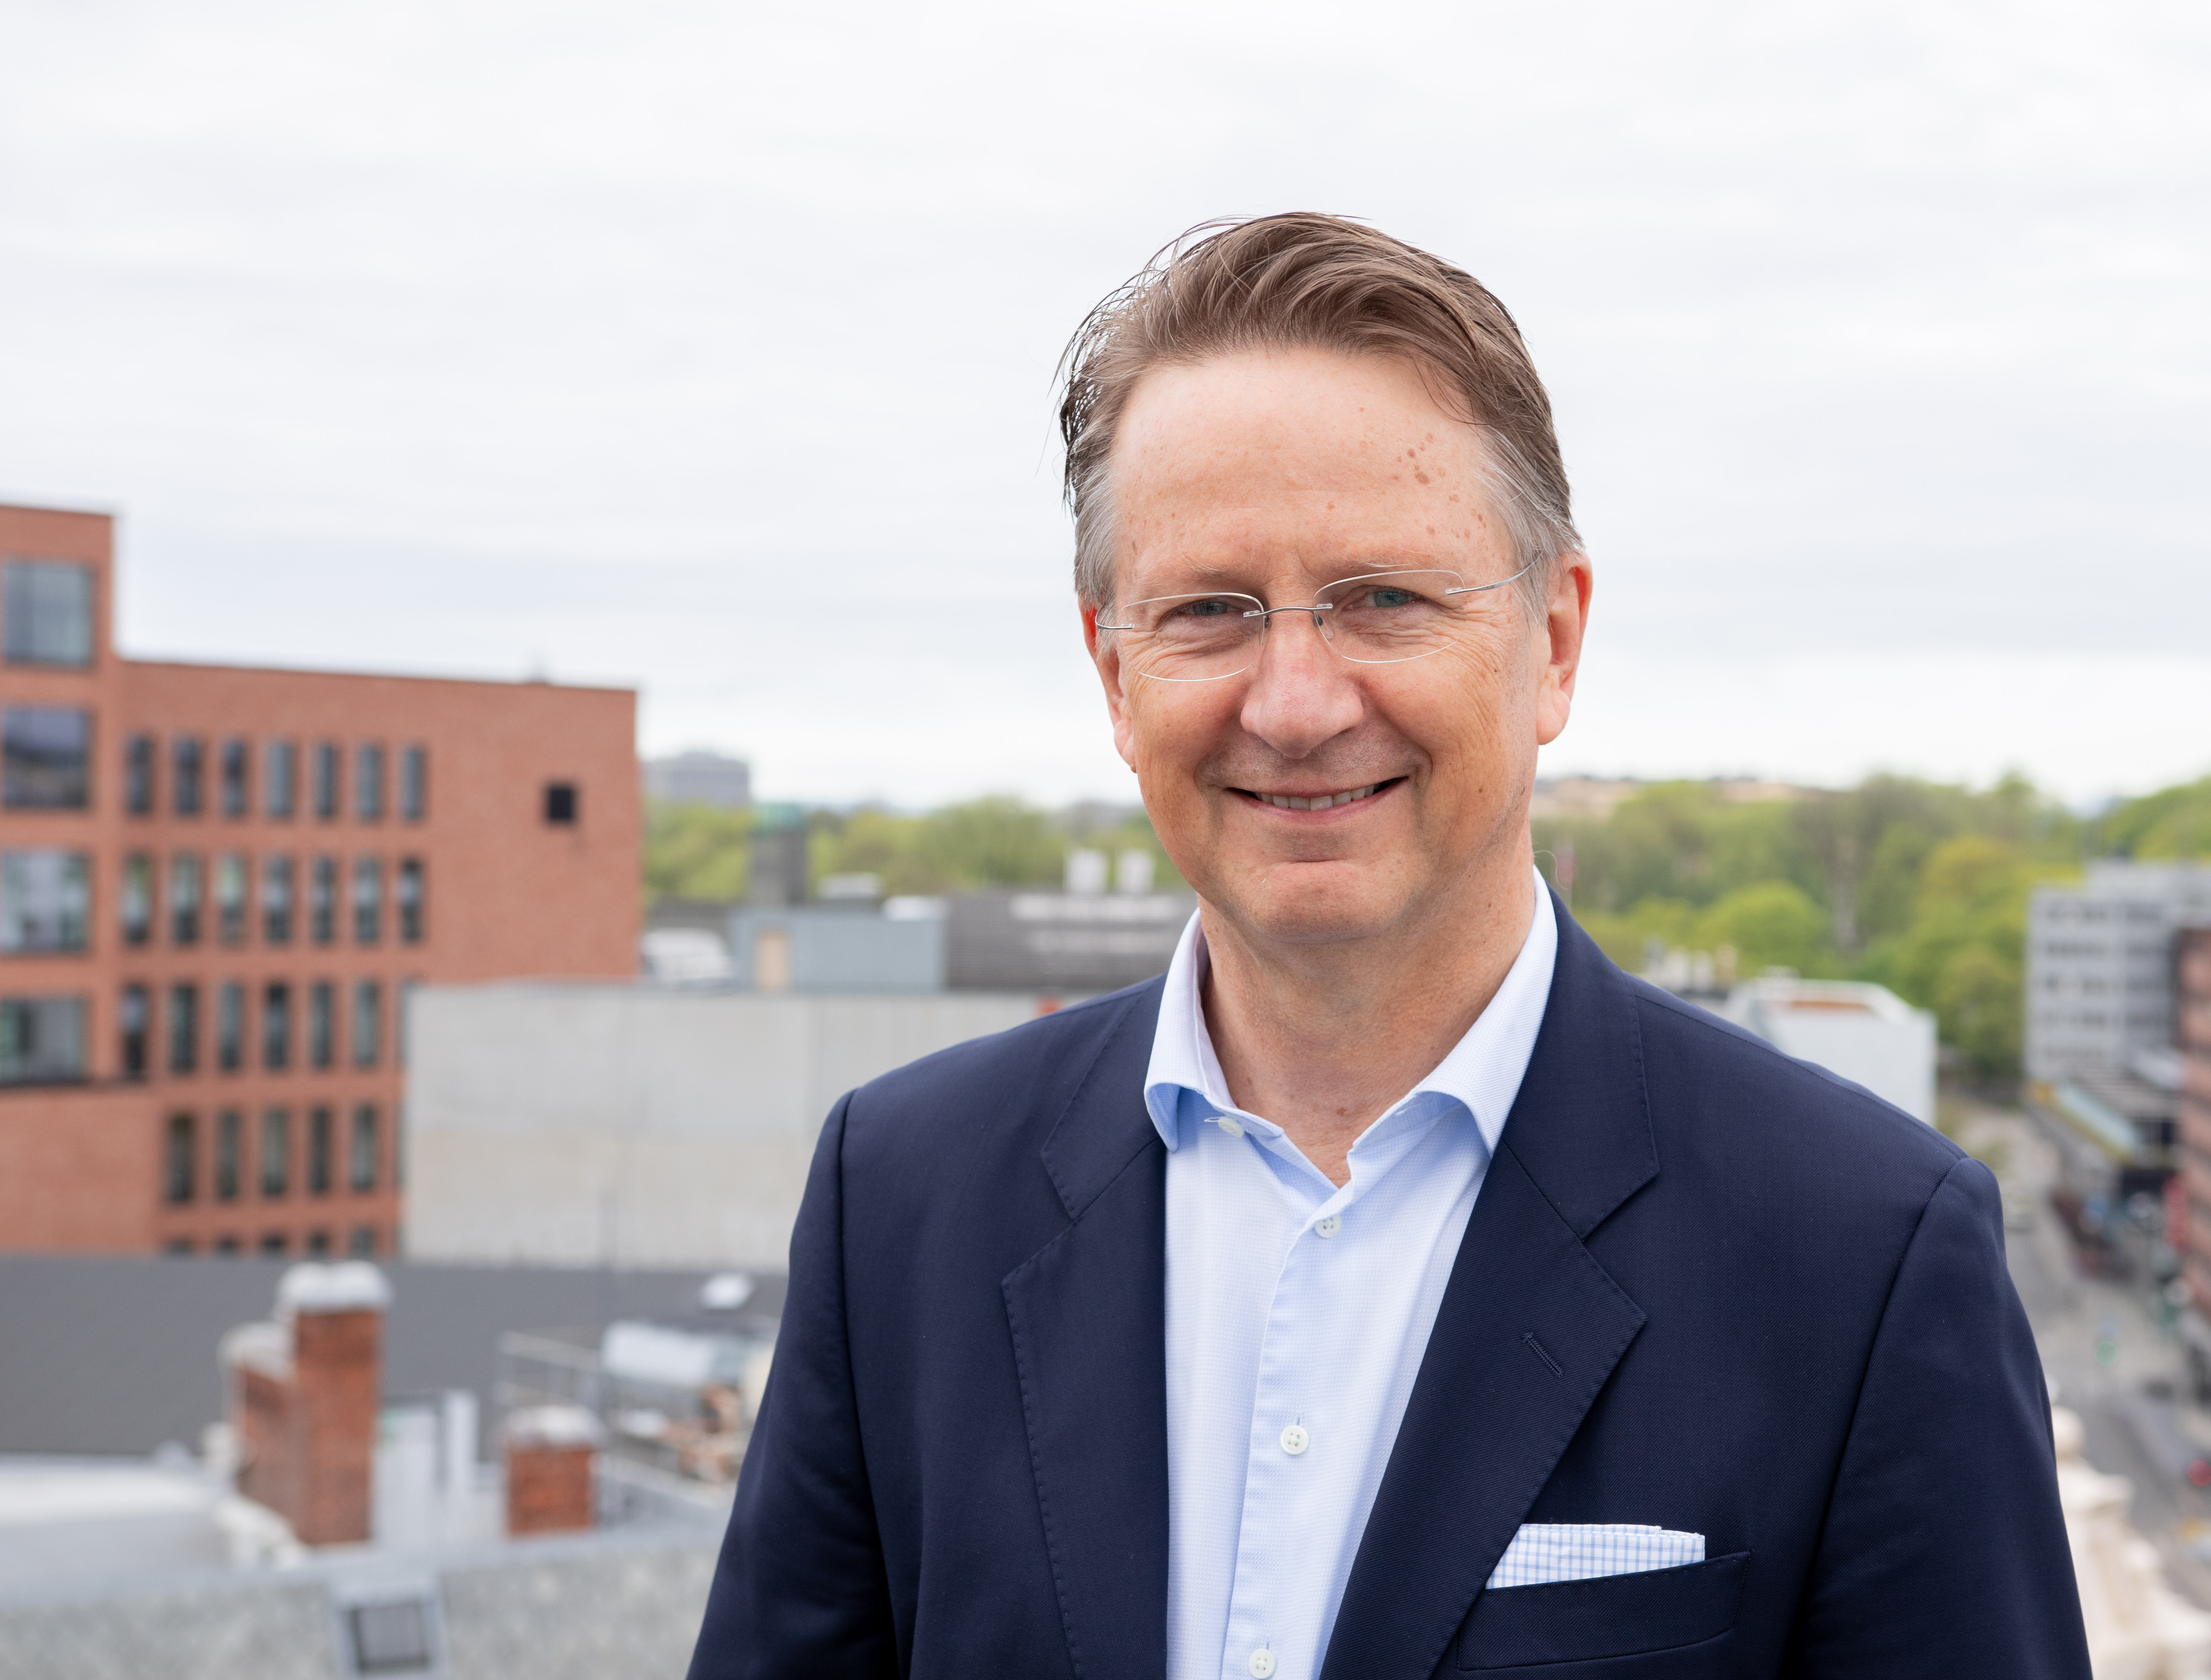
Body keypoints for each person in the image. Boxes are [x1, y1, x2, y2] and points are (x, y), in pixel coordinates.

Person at [688, 214, 2088, 1680]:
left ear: (1555, 642)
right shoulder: (901, 1204)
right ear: (1113, 672)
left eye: (1384, 600)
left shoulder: (1864, 1255)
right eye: (1211, 611)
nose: (1295, 704)